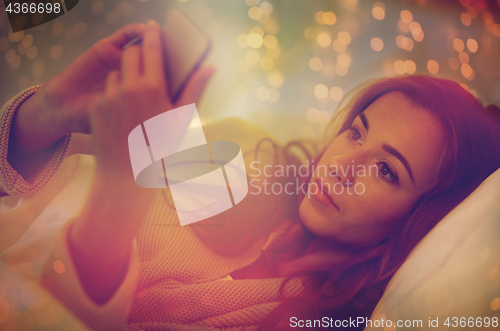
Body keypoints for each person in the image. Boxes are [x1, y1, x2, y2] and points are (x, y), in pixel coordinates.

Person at [1, 20, 499, 330]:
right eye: (355, 133)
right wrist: (45, 115)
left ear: (420, 221)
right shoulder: (246, 165)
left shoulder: (327, 322)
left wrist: (118, 194)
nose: (341, 166)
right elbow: (39, 190)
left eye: (386, 170)